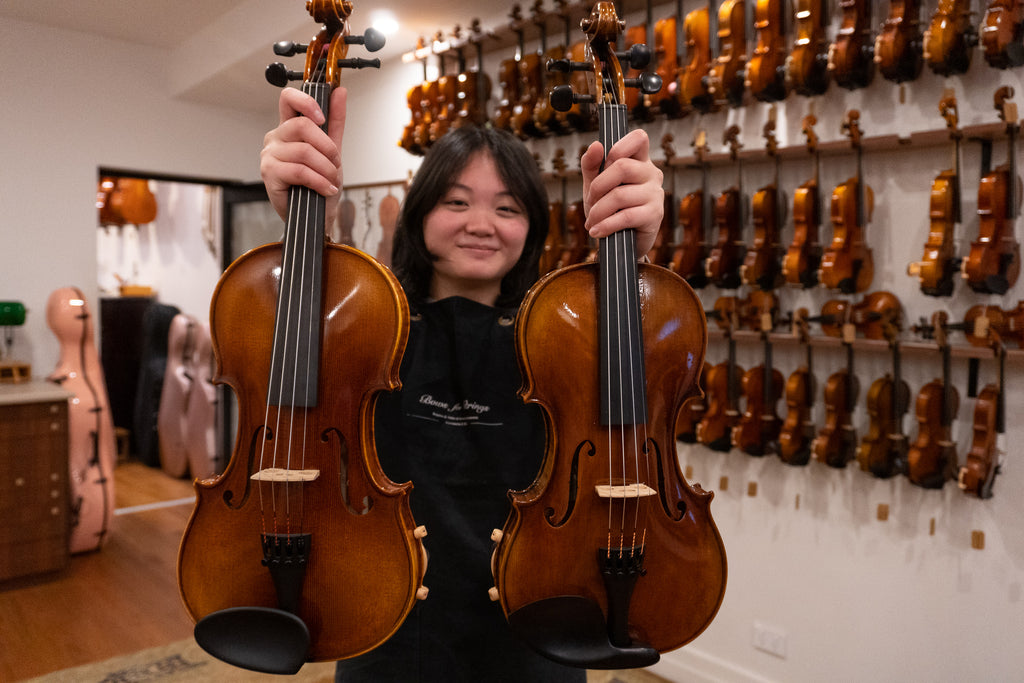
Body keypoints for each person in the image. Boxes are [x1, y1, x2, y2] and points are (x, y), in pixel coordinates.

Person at [260, 85, 665, 682]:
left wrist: (634, 259)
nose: (482, 225)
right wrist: (306, 223)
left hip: (539, 617)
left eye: (507, 208)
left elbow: (646, 386)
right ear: (420, 212)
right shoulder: (367, 323)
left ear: (532, 226)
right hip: (386, 615)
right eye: (456, 202)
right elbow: (291, 347)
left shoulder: (565, 332)